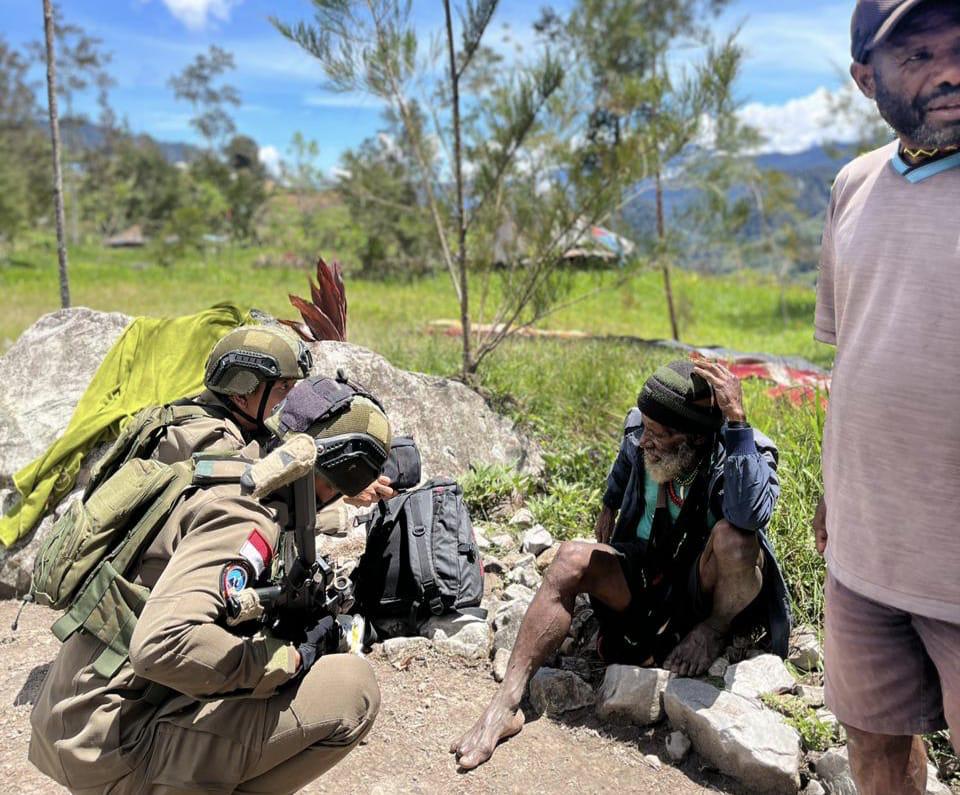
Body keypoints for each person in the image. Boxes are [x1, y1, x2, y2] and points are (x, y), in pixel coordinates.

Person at [29, 376, 393, 794]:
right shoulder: (246, 517)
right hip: (112, 748)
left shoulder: (226, 470)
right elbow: (162, 645)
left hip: (76, 718)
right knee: (352, 689)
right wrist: (285, 661)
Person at [451, 359, 791, 770]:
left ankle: (711, 634)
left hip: (701, 584)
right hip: (645, 571)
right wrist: (612, 499)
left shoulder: (742, 448)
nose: (643, 440)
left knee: (736, 541)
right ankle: (506, 704)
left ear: (695, 439)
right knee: (570, 558)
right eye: (644, 428)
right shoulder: (641, 429)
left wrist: (736, 423)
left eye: (659, 435)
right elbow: (627, 459)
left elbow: (750, 515)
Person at [813, 2, 960, 792]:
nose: (951, 71)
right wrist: (835, 495)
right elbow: (856, 357)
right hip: (866, 556)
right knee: (874, 746)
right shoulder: (852, 187)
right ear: (866, 77)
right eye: (920, 54)